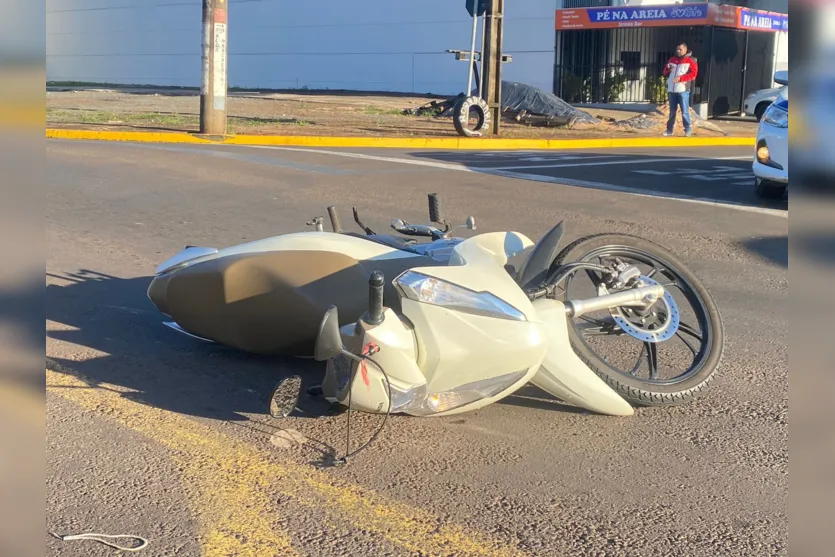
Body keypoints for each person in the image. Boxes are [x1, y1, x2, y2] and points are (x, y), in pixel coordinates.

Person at [662, 43, 698, 137]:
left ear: (685, 50)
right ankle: (669, 130)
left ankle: (688, 129)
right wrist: (668, 70)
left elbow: (693, 74)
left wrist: (681, 79)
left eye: (680, 49)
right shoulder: (672, 60)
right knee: (672, 111)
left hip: (683, 90)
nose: (678, 51)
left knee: (684, 111)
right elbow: (665, 71)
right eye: (677, 49)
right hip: (672, 90)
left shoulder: (690, 61)